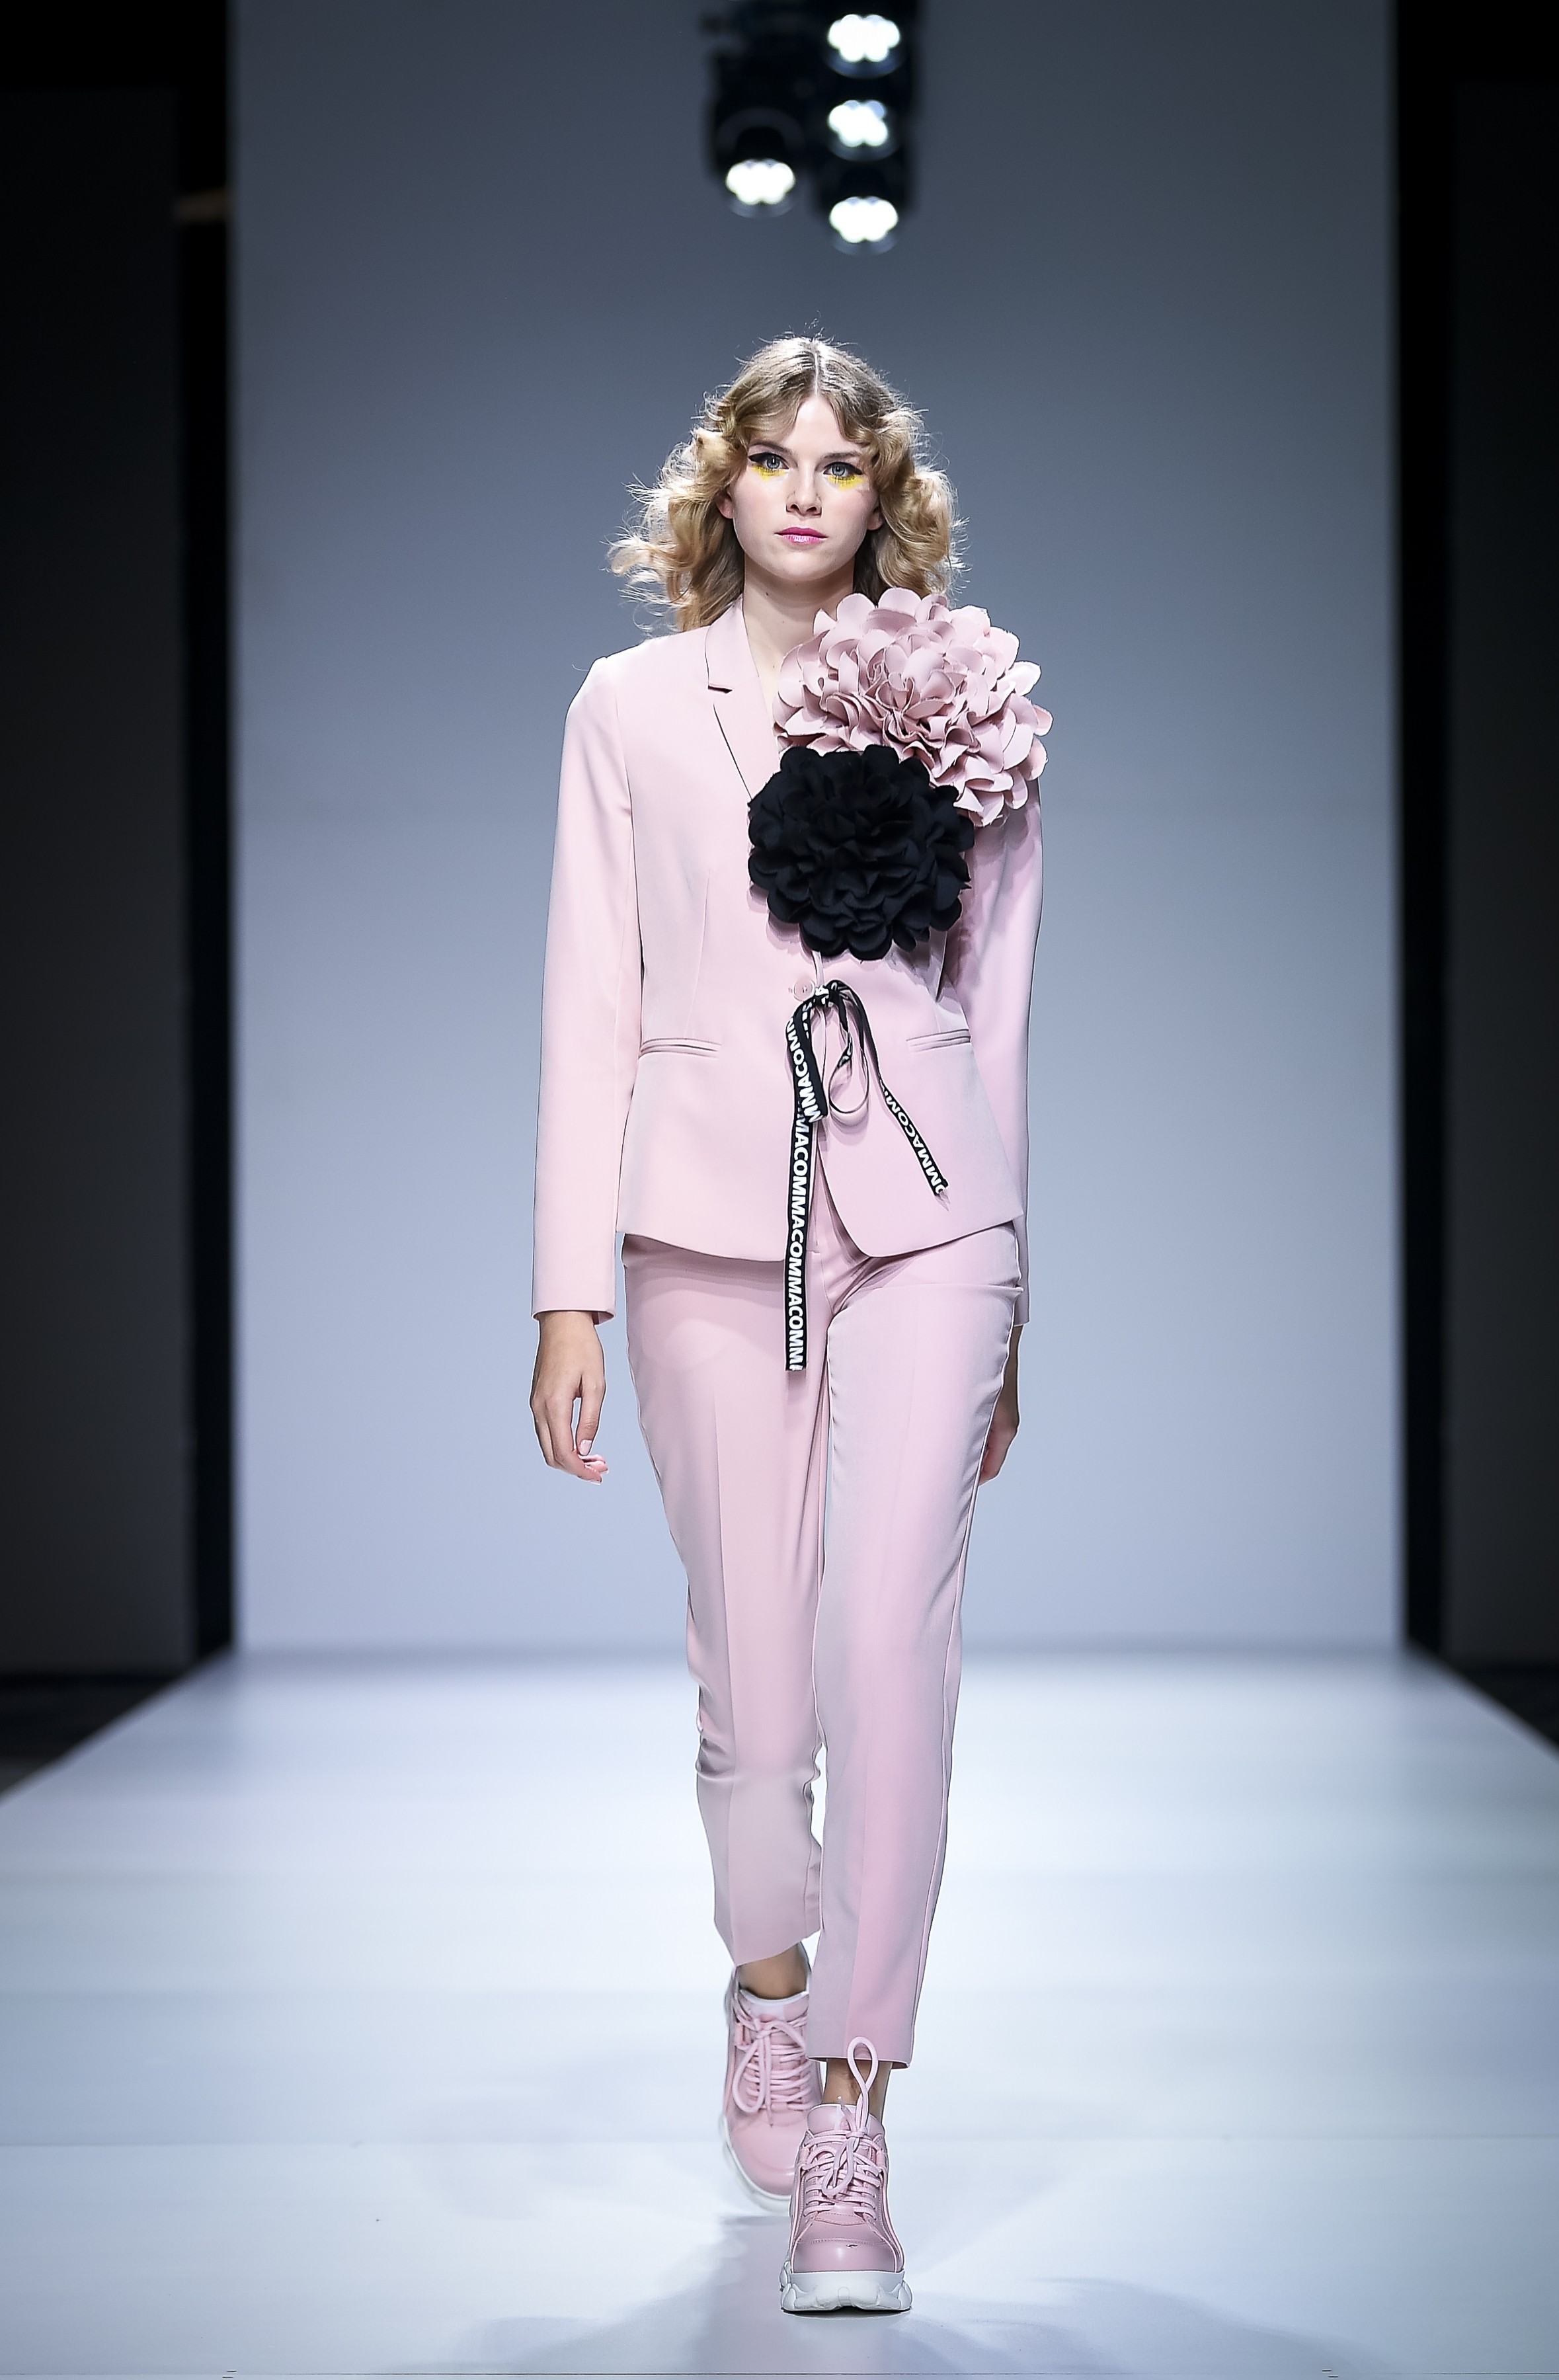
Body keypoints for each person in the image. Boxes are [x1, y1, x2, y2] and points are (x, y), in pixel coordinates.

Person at [530, 336, 1042, 2317]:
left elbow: (999, 1004)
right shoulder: (628, 709)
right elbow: (589, 999)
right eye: (774, 455)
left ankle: (852, 2117)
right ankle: (769, 1980)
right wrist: (567, 1290)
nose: (807, 488)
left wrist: (1022, 1290)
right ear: (721, 484)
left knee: (890, 1653)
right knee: (758, 1700)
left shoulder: (961, 696)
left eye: (842, 460)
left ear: (882, 493)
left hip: (927, 1221)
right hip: (704, 1224)